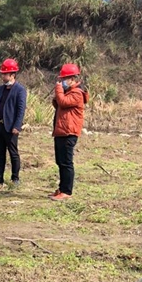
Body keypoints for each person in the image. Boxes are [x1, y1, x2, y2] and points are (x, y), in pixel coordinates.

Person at [50, 62, 89, 200]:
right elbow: (58, 104)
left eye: (64, 79)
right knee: (60, 161)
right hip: (61, 131)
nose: (61, 82)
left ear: (72, 79)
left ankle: (67, 191)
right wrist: (59, 93)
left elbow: (63, 102)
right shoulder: (68, 92)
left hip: (69, 132)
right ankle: (61, 188)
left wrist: (59, 90)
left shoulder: (77, 93)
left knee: (66, 162)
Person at [0, 58, 27, 188]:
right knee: (0, 153)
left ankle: (15, 177)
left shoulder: (20, 90)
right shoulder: (1, 89)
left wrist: (17, 126)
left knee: (13, 153)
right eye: (2, 74)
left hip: (10, 127)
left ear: (12, 74)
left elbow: (21, 109)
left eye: (5, 74)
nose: (3, 76)